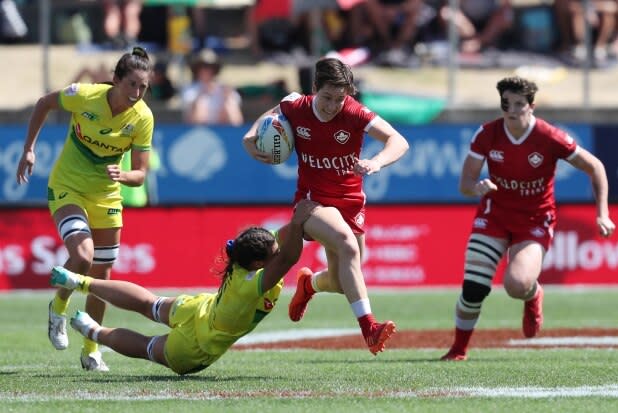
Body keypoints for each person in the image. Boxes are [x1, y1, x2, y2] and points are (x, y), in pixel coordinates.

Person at [242, 57, 410, 355]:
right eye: (327, 97)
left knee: (344, 281)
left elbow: (398, 141)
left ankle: (310, 285)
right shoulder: (296, 106)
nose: (333, 105)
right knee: (347, 245)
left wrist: (376, 162)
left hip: (350, 201)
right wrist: (250, 139)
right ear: (314, 88)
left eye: (340, 99)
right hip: (312, 203)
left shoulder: (356, 113)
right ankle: (370, 328)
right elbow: (265, 121)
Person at [441, 76, 616, 361]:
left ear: (532, 106)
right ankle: (458, 349)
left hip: (535, 219)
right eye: (506, 103)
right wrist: (477, 188)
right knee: (474, 286)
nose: (512, 110)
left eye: (519, 104)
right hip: (494, 216)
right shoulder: (487, 134)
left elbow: (595, 167)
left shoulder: (550, 137)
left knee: (517, 285)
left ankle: (532, 295)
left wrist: (602, 213)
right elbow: (465, 184)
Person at [47, 199, 319, 375]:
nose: (277, 249)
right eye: (273, 252)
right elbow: (288, 257)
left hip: (197, 309)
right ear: (259, 262)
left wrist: (301, 221)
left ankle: (80, 281)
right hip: (197, 346)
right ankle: (92, 330)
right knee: (146, 346)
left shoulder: (243, 260)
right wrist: (298, 222)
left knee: (148, 303)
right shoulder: (255, 283)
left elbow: (282, 242)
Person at [15, 46, 155, 371]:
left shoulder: (143, 118)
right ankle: (58, 307)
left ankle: (92, 347)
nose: (137, 93)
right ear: (116, 80)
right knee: (83, 256)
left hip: (106, 197)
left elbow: (140, 175)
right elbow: (44, 103)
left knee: (102, 278)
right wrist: (29, 150)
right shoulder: (85, 96)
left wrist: (124, 175)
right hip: (68, 187)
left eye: (143, 87)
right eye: (132, 84)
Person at [180, 49, 244, 126]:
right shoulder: (190, 89)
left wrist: (225, 98)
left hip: (224, 131)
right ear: (197, 69)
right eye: (203, 67)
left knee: (230, 104)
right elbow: (195, 120)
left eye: (211, 67)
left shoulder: (225, 89)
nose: (207, 70)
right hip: (198, 132)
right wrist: (201, 94)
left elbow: (236, 121)